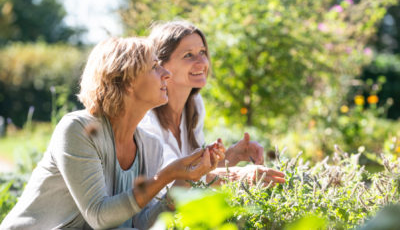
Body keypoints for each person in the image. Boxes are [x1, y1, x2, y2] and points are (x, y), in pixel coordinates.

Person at [0, 37, 223, 230]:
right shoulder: (78, 130)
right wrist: (165, 176)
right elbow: (98, 216)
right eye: (155, 66)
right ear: (126, 81)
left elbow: (142, 224)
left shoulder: (150, 145)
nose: (166, 74)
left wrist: (182, 179)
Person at [139, 20, 285, 186]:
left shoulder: (195, 105)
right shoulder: (146, 118)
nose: (202, 62)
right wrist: (237, 175)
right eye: (188, 55)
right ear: (161, 64)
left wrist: (233, 156)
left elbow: (195, 177)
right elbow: (170, 180)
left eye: (202, 52)